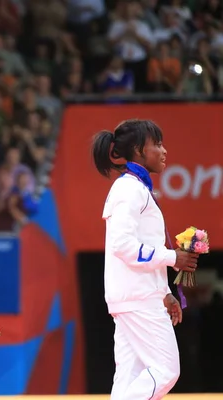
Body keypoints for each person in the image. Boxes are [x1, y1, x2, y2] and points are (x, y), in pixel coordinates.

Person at [92, 120, 199, 400]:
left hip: (136, 295)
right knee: (165, 370)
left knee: (128, 376)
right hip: (138, 298)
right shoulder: (129, 189)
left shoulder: (135, 188)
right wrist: (173, 257)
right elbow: (123, 245)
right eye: (158, 144)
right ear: (139, 150)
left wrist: (165, 292)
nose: (164, 151)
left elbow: (138, 246)